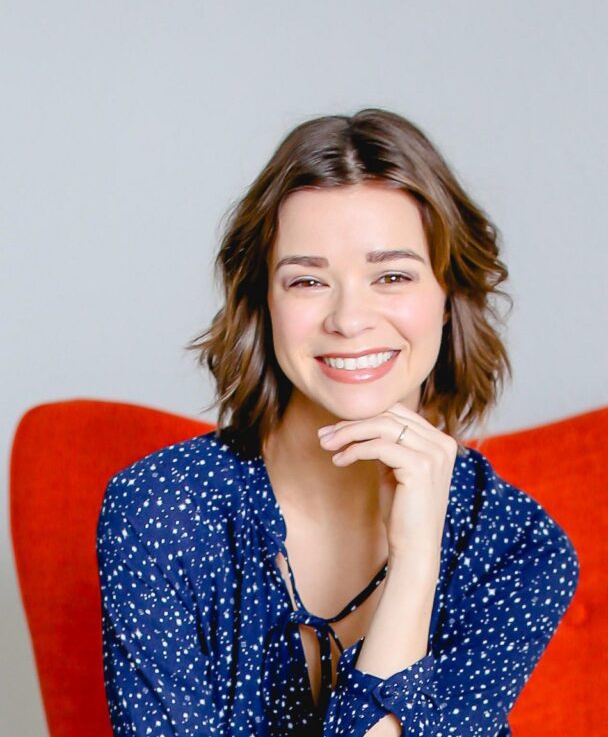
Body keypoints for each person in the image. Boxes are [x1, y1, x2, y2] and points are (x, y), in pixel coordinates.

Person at [96, 107, 580, 737]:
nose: (350, 319)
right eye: (307, 281)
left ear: (447, 296)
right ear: (262, 303)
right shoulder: (161, 510)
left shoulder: (519, 548)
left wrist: (415, 564)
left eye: (393, 275)